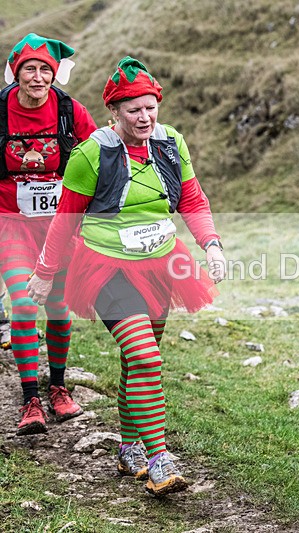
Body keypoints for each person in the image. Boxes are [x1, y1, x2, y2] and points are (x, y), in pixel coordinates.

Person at [28, 56, 226, 496]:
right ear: (114, 113)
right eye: (133, 109)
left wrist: (210, 244)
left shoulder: (172, 143)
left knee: (139, 359)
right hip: (105, 266)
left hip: (160, 263)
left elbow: (192, 197)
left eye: (151, 107)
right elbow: (65, 220)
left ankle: (130, 445)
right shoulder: (91, 154)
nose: (145, 117)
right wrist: (44, 273)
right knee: (147, 358)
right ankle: (159, 459)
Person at [0, 33, 97, 435]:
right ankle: (30, 399)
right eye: (30, 69)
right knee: (23, 304)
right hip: (10, 220)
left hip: (60, 225)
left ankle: (58, 387)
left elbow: (96, 155)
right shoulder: (0, 110)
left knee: (58, 307)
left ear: (54, 74)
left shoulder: (69, 111)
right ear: (16, 72)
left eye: (45, 70)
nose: (37, 78)